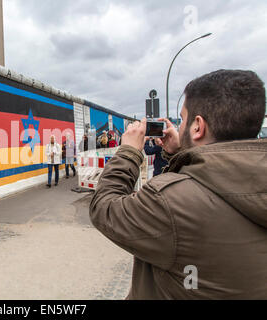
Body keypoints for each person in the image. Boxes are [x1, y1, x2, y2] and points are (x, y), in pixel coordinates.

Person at [90, 70, 267, 299]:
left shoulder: (169, 202)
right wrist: (182, 151)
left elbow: (104, 208)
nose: (179, 126)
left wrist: (128, 152)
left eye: (183, 119)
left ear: (198, 126)